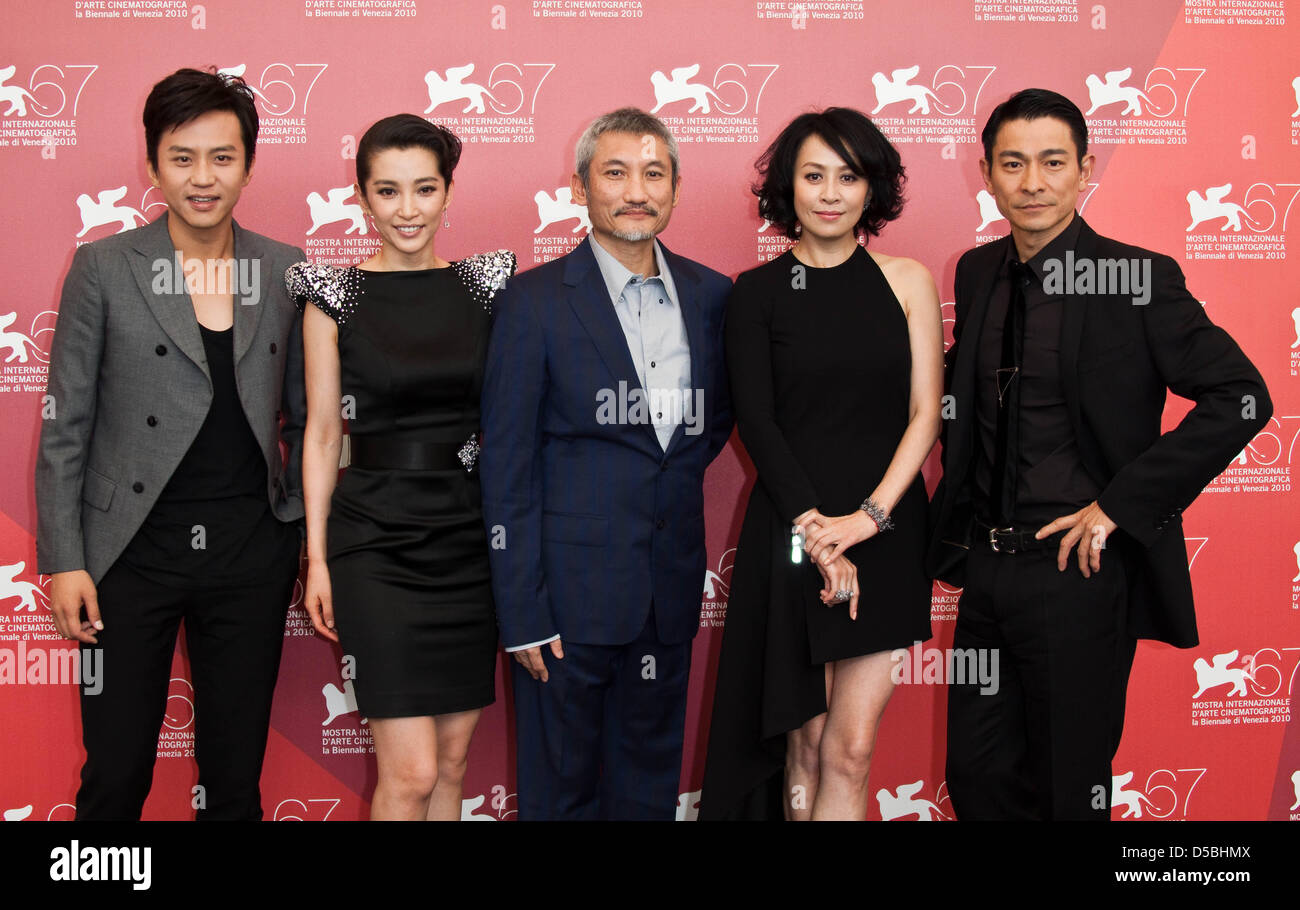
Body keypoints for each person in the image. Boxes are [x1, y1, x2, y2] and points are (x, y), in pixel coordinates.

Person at [927, 88, 1272, 820]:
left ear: (1085, 170)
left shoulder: (1136, 280)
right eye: (1013, 163)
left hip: (1076, 576)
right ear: (986, 173)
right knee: (977, 778)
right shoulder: (977, 272)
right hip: (986, 572)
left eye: (1053, 162)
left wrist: (1120, 505)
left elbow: (1242, 397)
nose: (1033, 182)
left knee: (1066, 787)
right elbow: (957, 392)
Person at [36, 67, 306, 820]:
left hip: (248, 556)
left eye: (222, 158)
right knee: (115, 775)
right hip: (128, 555)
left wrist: (303, 537)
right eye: (182, 157)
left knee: (235, 782)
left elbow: (308, 419)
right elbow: (67, 427)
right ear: (152, 163)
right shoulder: (104, 267)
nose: (202, 177)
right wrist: (64, 561)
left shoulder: (283, 270)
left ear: (248, 165)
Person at [479, 107, 733, 820]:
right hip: (563, 605)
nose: (636, 191)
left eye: (654, 174)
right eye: (615, 172)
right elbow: (507, 464)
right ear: (580, 186)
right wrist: (522, 613)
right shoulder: (531, 302)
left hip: (668, 595)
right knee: (560, 795)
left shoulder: (713, 297)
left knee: (648, 795)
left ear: (676, 188)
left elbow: (703, 435)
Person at [700, 108, 942, 821]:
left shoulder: (906, 281)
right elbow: (759, 422)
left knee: (851, 749)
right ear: (788, 187)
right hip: (793, 536)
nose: (830, 192)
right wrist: (817, 532)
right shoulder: (756, 294)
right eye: (813, 175)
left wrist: (868, 522)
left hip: (887, 533)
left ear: (873, 190)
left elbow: (926, 412)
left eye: (849, 175)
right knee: (803, 749)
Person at [289, 114, 514, 821]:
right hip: (374, 544)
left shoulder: (486, 286)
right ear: (361, 196)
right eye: (388, 191)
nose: (407, 209)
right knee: (410, 774)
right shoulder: (334, 296)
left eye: (424, 189)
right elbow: (324, 436)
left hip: (469, 539)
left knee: (451, 767)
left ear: (448, 193)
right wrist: (317, 559)